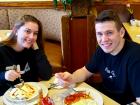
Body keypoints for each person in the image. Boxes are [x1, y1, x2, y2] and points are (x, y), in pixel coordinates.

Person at [55, 9, 140, 105]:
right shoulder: (102, 49)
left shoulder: (136, 56)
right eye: (99, 34)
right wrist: (71, 78)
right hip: (103, 97)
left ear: (121, 32)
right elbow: (85, 71)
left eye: (109, 33)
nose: (104, 39)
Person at [0, 15, 52, 96]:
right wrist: (4, 75)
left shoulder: (33, 50)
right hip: (8, 97)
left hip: (31, 95)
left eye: (35, 33)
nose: (31, 37)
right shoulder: (2, 50)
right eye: (27, 31)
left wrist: (37, 50)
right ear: (16, 31)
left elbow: (47, 75)